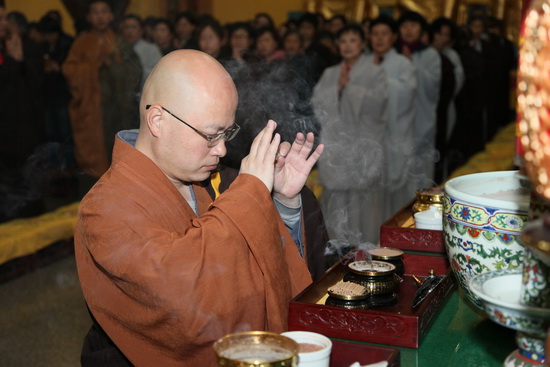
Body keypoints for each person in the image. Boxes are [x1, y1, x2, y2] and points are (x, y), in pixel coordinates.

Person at [75, 49, 324, 366]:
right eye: (210, 135)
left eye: (226, 133)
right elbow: (185, 304)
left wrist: (282, 203)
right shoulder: (105, 208)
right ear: (158, 121)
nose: (221, 149)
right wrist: (251, 193)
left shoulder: (223, 183)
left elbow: (270, 274)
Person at [312, 24, 388, 245]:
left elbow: (379, 105)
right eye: (343, 41)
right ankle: (337, 253)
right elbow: (317, 103)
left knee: (363, 204)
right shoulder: (330, 73)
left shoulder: (376, 72)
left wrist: (350, 89)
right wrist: (336, 89)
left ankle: (366, 251)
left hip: (363, 147)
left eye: (352, 40)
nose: (347, 45)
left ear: (362, 44)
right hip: (337, 147)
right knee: (335, 204)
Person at [62, 0, 142, 177]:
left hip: (118, 108)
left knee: (120, 157)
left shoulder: (120, 42)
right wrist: (95, 65)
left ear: (111, 16)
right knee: (93, 157)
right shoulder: (81, 43)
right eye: (95, 12)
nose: (100, 16)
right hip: (93, 109)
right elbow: (69, 70)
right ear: (89, 17)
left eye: (104, 12)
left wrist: (114, 66)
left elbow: (134, 70)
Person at [366, 15, 417, 217]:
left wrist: (380, 79)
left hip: (395, 134)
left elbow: (407, 93)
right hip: (369, 137)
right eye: (375, 34)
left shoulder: (403, 64)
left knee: (396, 193)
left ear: (394, 37)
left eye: (384, 34)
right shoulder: (362, 63)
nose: (379, 38)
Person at [396, 11, 441, 189]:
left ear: (421, 30)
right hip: (397, 121)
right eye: (404, 26)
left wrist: (411, 66)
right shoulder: (392, 53)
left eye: (413, 26)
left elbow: (433, 85)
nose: (408, 30)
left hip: (422, 118)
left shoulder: (430, 54)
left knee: (421, 170)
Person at [120, 14, 162, 91]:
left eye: (133, 27)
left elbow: (159, 73)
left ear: (141, 30)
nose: (130, 31)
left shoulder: (151, 49)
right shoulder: (118, 49)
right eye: (126, 28)